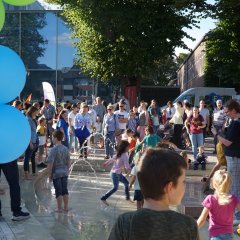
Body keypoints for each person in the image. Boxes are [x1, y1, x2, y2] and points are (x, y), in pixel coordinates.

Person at [108, 148, 199, 240]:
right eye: (183, 181)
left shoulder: (125, 223)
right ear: (169, 187)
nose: (185, 186)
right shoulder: (188, 226)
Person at [212, 100, 240, 221]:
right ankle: (236, 213)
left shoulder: (236, 123)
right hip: (234, 157)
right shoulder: (234, 122)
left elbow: (228, 142)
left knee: (234, 186)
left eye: (227, 112)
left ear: (234, 110)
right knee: (235, 185)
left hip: (234, 157)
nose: (226, 114)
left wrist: (215, 134)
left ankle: (236, 214)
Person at [197, 169, 240, 239]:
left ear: (214, 184)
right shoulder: (233, 199)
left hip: (215, 236)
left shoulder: (210, 199)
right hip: (229, 236)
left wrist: (192, 230)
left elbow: (202, 220)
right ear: (229, 184)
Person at [101, 140, 132, 206]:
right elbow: (127, 165)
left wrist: (106, 163)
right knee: (115, 188)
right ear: (125, 147)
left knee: (126, 183)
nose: (129, 148)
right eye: (128, 147)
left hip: (116, 173)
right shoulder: (125, 155)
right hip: (115, 174)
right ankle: (103, 198)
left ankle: (127, 198)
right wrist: (129, 170)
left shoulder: (119, 154)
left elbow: (111, 159)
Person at [47, 130, 71, 213]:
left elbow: (50, 164)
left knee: (58, 190)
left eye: (52, 138)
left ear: (56, 138)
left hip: (56, 173)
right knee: (65, 190)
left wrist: (49, 175)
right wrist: (67, 170)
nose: (52, 139)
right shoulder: (65, 148)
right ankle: (66, 207)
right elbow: (68, 161)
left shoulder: (53, 150)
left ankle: (59, 208)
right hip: (64, 172)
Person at [24, 106, 39, 180]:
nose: (37, 113)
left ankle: (30, 173)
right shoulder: (28, 120)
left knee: (32, 157)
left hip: (34, 140)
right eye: (36, 111)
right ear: (32, 112)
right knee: (27, 158)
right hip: (30, 142)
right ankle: (26, 174)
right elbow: (27, 132)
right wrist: (30, 143)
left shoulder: (32, 119)